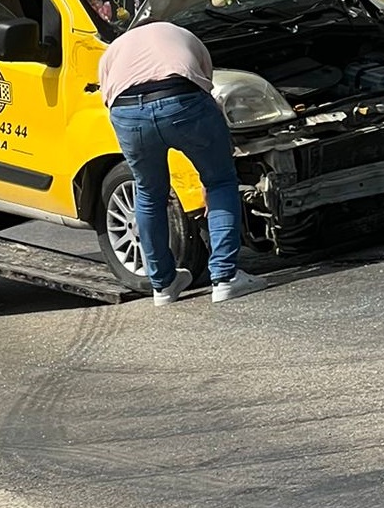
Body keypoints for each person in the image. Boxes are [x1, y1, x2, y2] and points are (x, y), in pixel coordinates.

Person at [98, 21, 266, 305]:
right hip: (182, 100)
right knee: (220, 181)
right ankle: (225, 278)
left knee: (149, 192)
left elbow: (107, 96)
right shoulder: (184, 34)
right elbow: (205, 84)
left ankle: (162, 286)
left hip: (127, 112)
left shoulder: (114, 49)